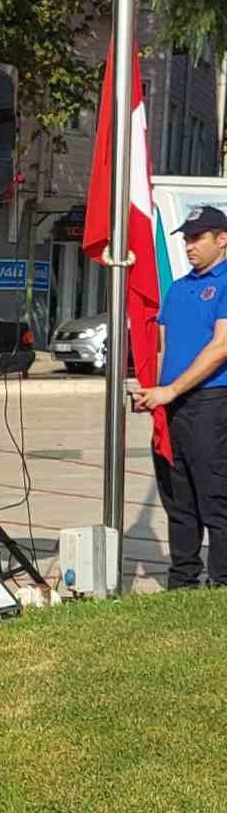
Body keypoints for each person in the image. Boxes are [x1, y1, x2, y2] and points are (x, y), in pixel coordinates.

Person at [135, 204, 227, 588]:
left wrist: (172, 389)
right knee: (179, 498)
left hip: (211, 403)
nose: (190, 246)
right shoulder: (179, 286)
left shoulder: (224, 282)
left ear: (222, 239)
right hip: (173, 407)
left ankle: (221, 582)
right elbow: (163, 349)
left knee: (215, 498)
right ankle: (183, 581)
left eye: (197, 238)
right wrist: (154, 394)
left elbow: (221, 346)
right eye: (186, 238)